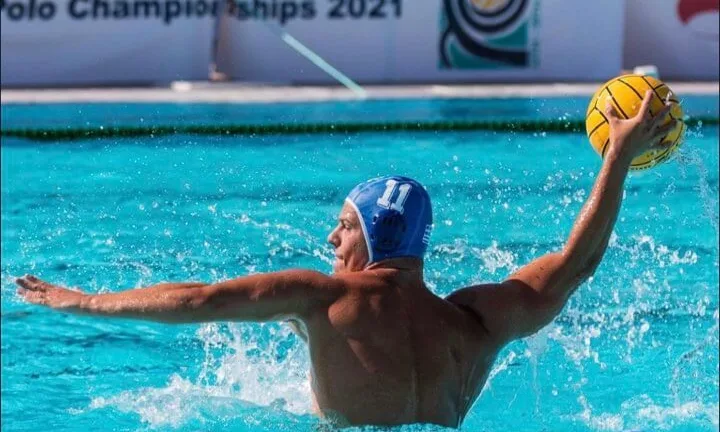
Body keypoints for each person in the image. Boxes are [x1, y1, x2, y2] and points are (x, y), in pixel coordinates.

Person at [16, 91, 678, 428]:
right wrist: (618, 157)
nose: (332, 241)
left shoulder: (324, 298)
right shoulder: (477, 320)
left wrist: (84, 301)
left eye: (342, 226)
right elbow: (576, 262)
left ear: (372, 235)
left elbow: (199, 300)